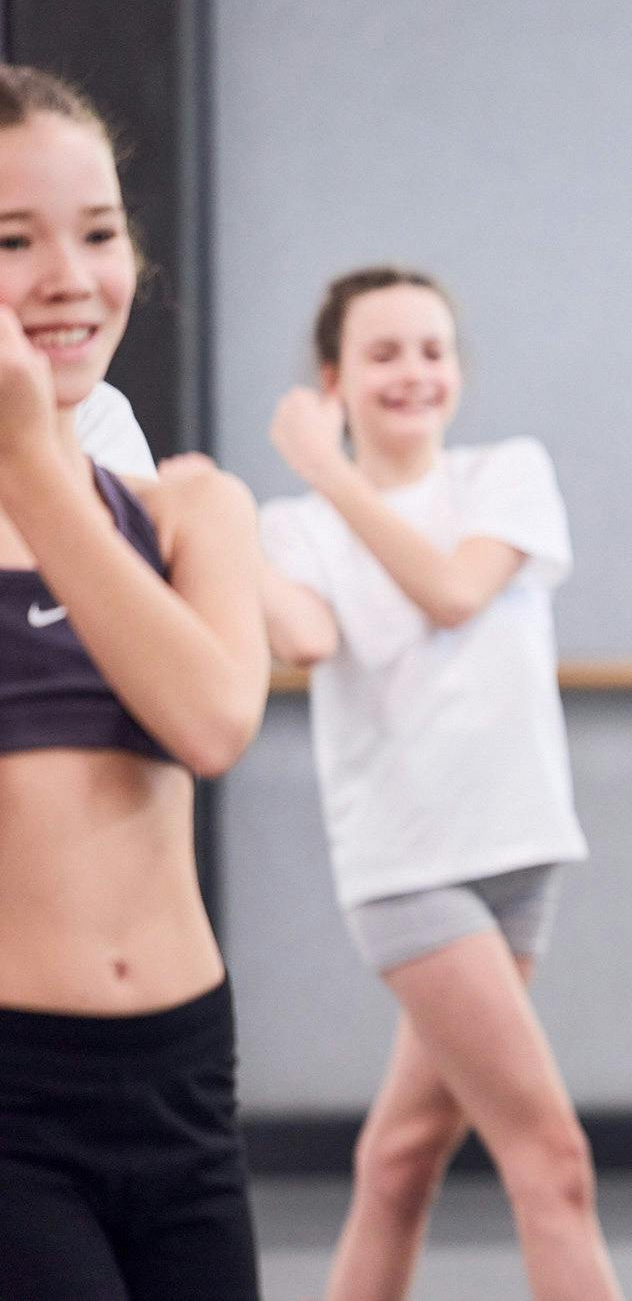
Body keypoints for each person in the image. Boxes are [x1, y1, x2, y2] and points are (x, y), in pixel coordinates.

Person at [258, 265, 619, 1300]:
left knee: (400, 1158)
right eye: (383, 353)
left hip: (519, 852)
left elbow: (456, 592)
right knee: (551, 1161)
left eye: (432, 350)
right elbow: (303, 635)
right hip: (410, 864)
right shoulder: (292, 526)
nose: (413, 372)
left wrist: (329, 478)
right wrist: (233, 528)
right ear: (332, 380)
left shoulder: (504, 472)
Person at [0, 64, 270, 1299]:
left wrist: (35, 464)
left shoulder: (194, 506)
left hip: (183, 1074)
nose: (68, 276)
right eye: (13, 241)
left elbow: (211, 720)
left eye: (98, 232)